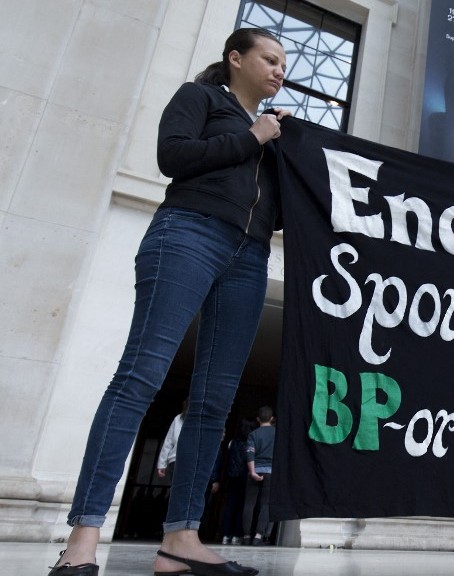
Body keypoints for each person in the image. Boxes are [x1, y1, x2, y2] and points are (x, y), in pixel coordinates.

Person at [47, 27, 289, 576]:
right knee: (140, 377)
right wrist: (252, 137)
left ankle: (181, 539)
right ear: (236, 58)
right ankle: (83, 537)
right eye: (270, 59)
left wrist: (288, 153)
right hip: (188, 232)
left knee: (214, 402)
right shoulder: (200, 98)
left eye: (283, 65)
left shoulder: (275, 135)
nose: (279, 71)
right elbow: (172, 156)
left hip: (250, 256)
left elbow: (280, 214)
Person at [242, 406, 276, 546]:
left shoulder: (253, 434)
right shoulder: (277, 434)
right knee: (266, 505)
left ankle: (246, 536)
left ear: (258, 419)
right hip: (271, 472)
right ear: (272, 418)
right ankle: (258, 536)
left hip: (255, 470)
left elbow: (250, 454)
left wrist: (252, 472)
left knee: (249, 504)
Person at [222, 420, 256, 545]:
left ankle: (225, 535)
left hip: (232, 477)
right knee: (242, 507)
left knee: (230, 506)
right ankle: (237, 535)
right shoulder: (251, 444)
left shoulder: (232, 442)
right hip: (245, 478)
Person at [156, 399, 188, 480]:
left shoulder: (179, 418)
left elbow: (168, 442)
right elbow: (169, 441)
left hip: (180, 460)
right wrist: (162, 464)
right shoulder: (178, 418)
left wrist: (162, 464)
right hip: (176, 459)